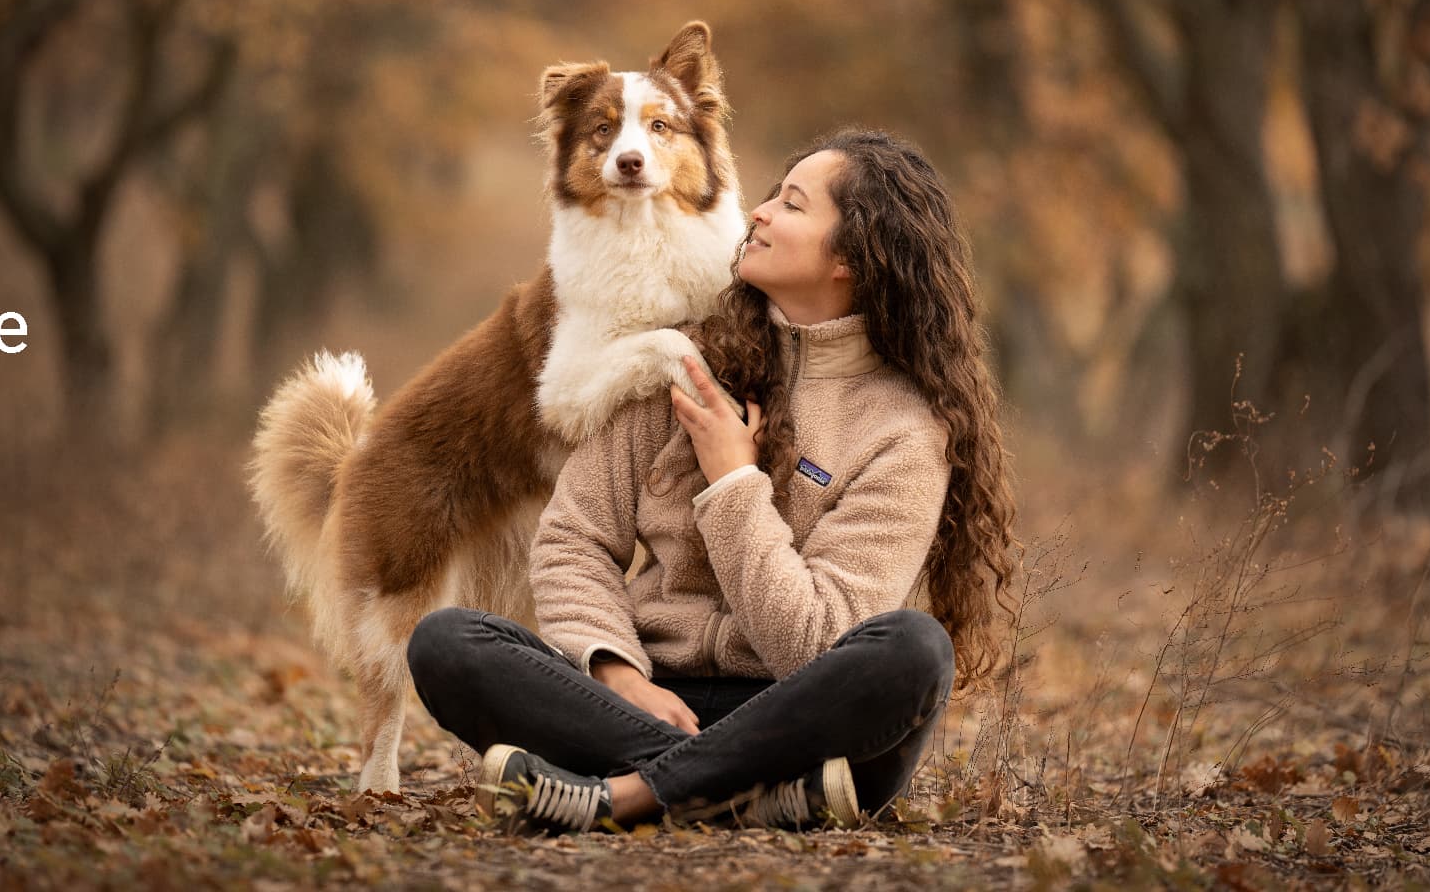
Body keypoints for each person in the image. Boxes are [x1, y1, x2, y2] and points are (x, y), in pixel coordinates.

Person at [404, 127, 1018, 832]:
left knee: (913, 652)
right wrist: (618, 675)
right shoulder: (682, 363)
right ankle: (754, 797)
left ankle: (624, 796)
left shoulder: (904, 431)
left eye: (791, 204)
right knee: (448, 642)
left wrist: (732, 481)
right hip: (647, 696)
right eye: (773, 196)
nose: (759, 211)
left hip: (800, 714)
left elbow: (816, 644)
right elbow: (574, 537)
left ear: (852, 255)